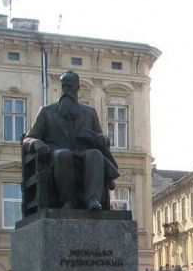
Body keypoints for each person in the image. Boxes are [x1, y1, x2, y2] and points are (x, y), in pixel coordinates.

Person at [22, 70, 120, 210]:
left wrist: (102, 139)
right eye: (64, 86)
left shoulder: (89, 113)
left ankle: (92, 199)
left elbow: (99, 137)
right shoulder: (46, 111)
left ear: (77, 88)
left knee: (95, 154)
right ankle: (68, 201)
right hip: (55, 157)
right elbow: (27, 139)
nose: (67, 90)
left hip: (83, 155)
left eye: (70, 86)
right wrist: (36, 142)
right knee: (63, 154)